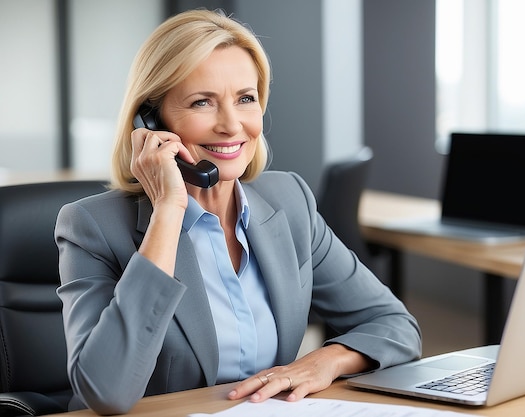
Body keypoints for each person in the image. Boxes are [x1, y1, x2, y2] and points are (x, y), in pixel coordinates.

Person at [55, 8, 421, 415]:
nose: (232, 125)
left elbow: (395, 325)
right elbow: (106, 392)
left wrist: (324, 361)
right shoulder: (92, 227)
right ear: (151, 121)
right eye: (202, 102)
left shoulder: (289, 200)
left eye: (245, 99)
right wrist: (168, 212)